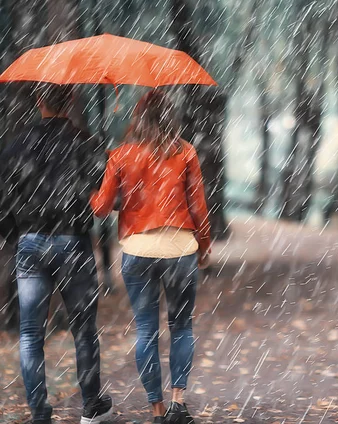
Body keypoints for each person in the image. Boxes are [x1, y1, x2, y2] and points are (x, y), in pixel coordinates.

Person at [91, 89, 211, 424]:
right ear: (170, 117)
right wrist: (205, 245)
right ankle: (178, 404)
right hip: (180, 250)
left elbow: (101, 208)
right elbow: (198, 206)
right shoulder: (185, 151)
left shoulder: (121, 154)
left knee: (146, 331)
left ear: (137, 118)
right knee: (181, 326)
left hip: (138, 251)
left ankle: (156, 410)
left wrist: (92, 190)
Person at [0, 84, 113, 424]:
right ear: (72, 101)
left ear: (38, 101)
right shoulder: (84, 142)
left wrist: (16, 234)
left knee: (30, 334)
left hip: (30, 244)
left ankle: (39, 413)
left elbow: (3, 199)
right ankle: (91, 406)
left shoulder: (17, 145)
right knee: (84, 328)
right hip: (74, 243)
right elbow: (104, 190)